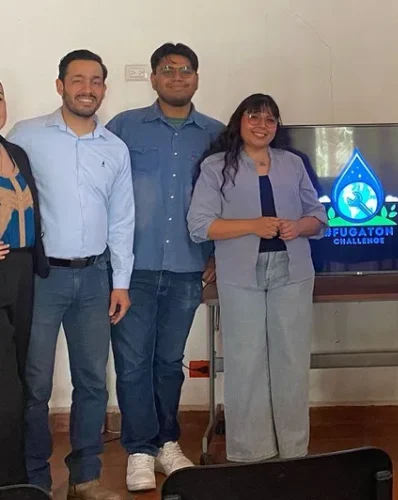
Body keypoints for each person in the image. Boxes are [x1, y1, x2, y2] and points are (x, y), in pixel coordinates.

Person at [8, 50, 134, 500]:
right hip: (42, 278)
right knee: (36, 385)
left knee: (93, 382)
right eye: (77, 79)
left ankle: (86, 479)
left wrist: (121, 282)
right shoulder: (26, 136)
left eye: (96, 81)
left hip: (95, 279)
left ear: (104, 88)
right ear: (59, 85)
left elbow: (122, 219)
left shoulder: (114, 148)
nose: (87, 88)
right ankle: (34, 481)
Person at [105, 42, 223, 492]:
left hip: (187, 267)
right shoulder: (124, 128)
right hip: (130, 268)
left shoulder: (215, 134)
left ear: (197, 78)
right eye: (168, 70)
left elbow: (227, 199)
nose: (177, 77)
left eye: (186, 69)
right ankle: (139, 448)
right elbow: (101, 189)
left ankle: (166, 443)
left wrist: (215, 252)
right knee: (133, 362)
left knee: (169, 361)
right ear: (153, 77)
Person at [187, 93, 327, 462]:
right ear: (239, 121)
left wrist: (298, 226)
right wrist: (254, 225)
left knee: (291, 361)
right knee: (245, 362)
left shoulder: (293, 163)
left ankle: (293, 450)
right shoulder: (216, 166)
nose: (262, 125)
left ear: (277, 126)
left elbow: (318, 217)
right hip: (239, 274)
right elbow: (200, 225)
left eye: (270, 119)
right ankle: (250, 453)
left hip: (293, 271)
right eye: (254, 117)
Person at [0, 80, 48, 487]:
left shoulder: (16, 152)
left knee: (19, 377)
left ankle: (15, 479)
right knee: (7, 392)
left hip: (22, 274)